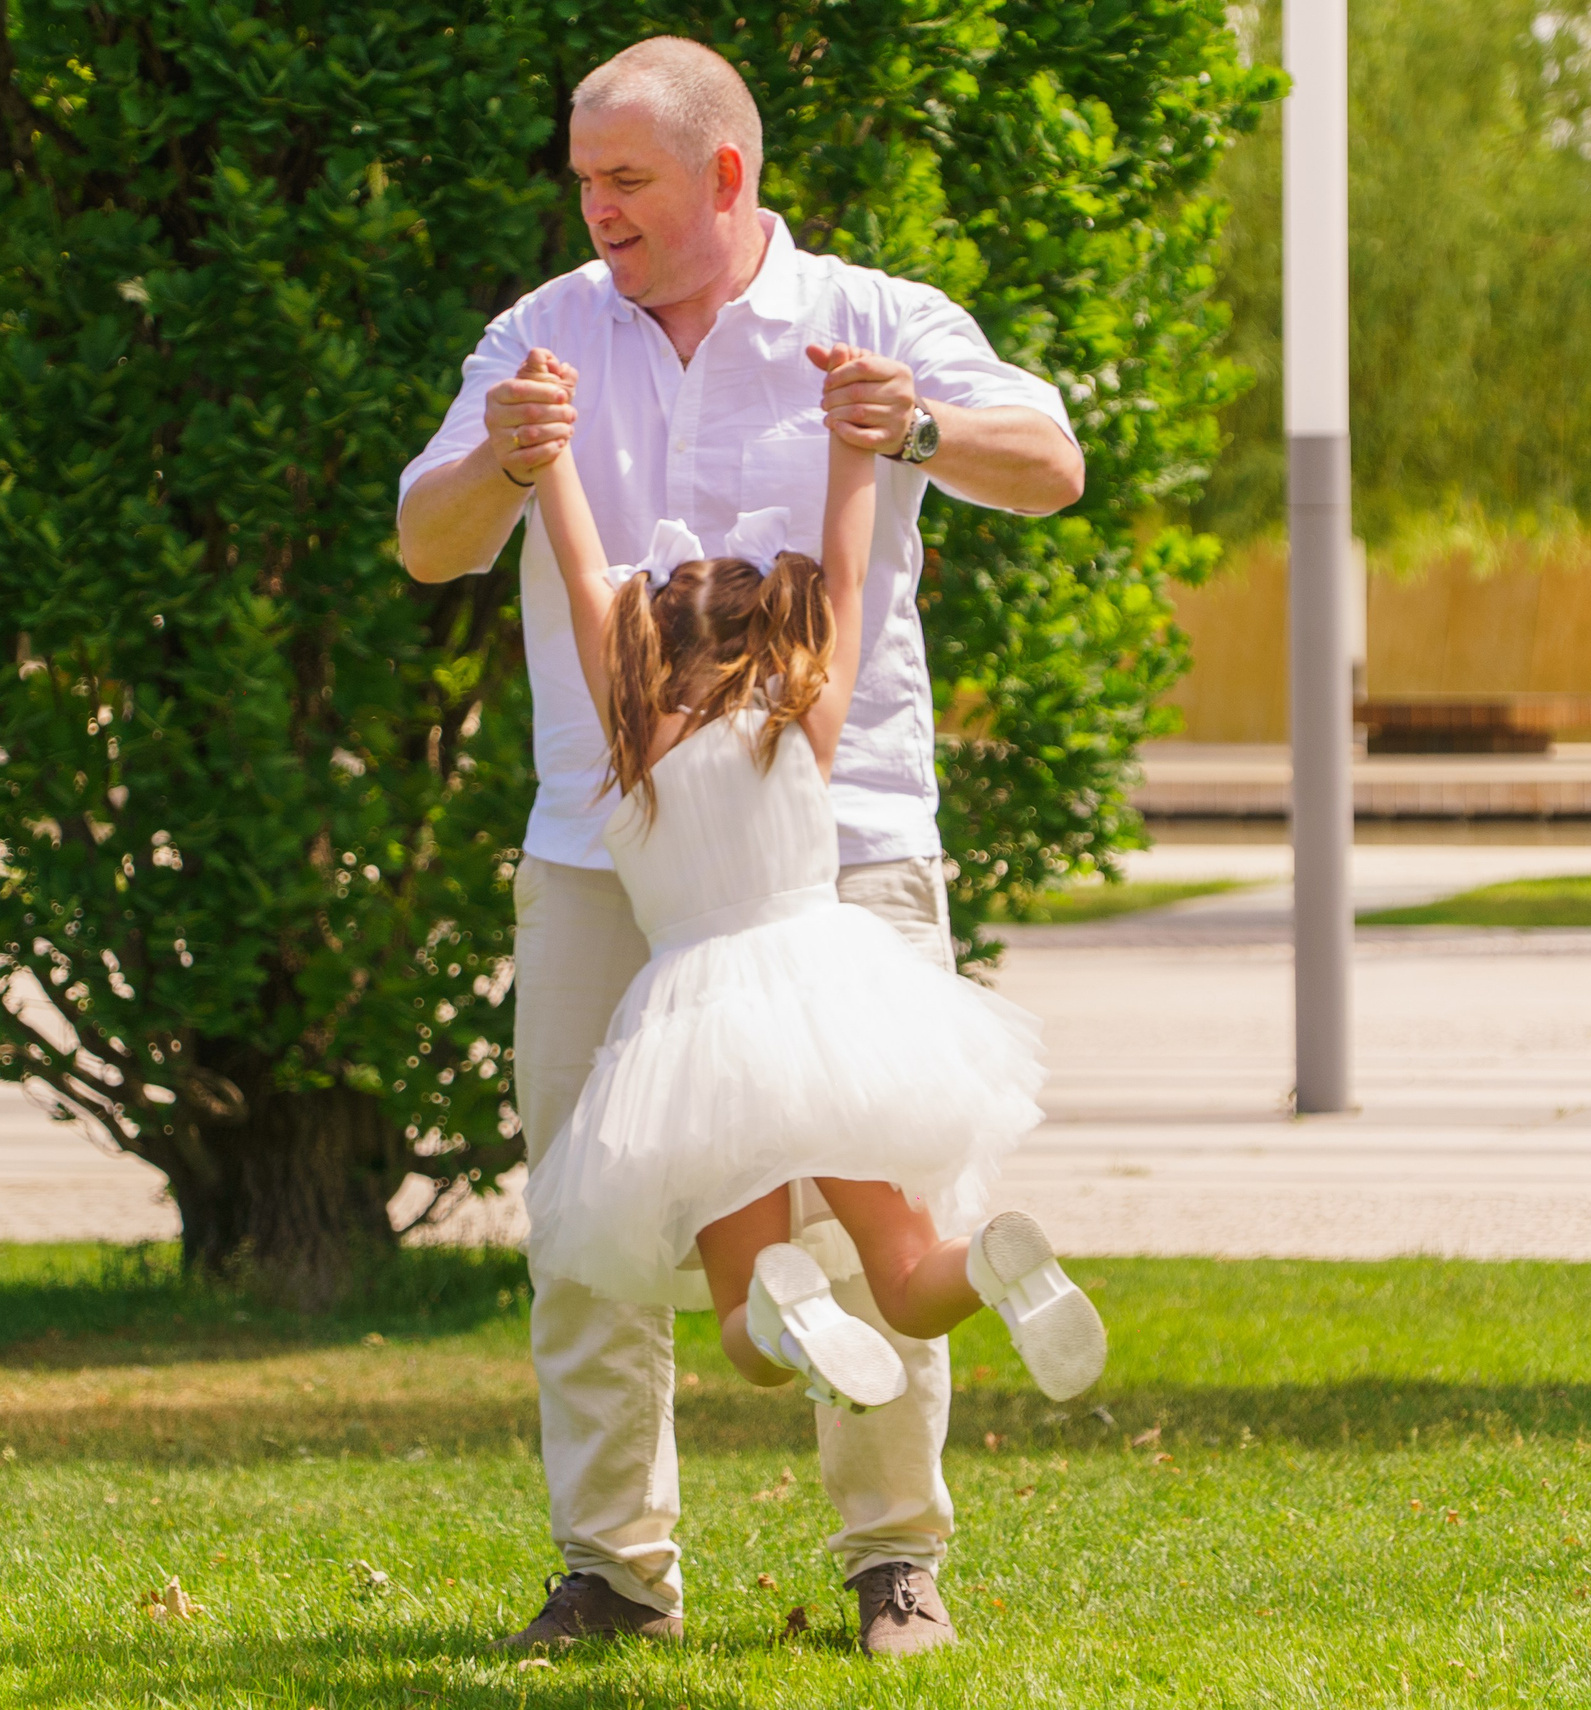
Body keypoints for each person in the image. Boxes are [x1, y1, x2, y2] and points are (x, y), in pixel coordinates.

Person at [395, 34, 1085, 1658]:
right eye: (581, 180)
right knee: (590, 1200)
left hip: (844, 828)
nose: (595, 211)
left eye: (623, 180)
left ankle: (892, 1563)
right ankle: (613, 1568)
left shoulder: (877, 318)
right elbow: (428, 541)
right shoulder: (542, 336)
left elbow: (1051, 464)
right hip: (598, 835)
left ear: (726, 174)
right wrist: (506, 452)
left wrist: (908, 428)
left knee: (867, 1204)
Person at [511, 342, 1107, 1432]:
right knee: (907, 1275)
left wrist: (552, 446)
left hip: (701, 1033)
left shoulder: (634, 743)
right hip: (838, 1004)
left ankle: (785, 1314)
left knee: (743, 1321)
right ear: (770, 647)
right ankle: (991, 1267)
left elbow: (578, 554)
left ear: (642, 653)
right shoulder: (802, 724)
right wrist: (852, 443)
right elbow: (852, 564)